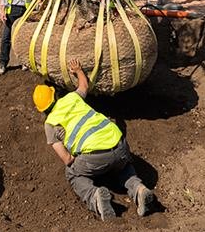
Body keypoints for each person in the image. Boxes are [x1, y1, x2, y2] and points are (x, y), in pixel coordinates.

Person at [33, 58, 156, 221]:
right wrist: (78, 70)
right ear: (54, 95)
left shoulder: (50, 124)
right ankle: (139, 189)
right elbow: (84, 85)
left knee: (72, 173)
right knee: (123, 167)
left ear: (41, 109)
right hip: (119, 144)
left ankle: (95, 197)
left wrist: (82, 157)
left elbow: (67, 159)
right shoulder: (72, 98)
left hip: (94, 157)